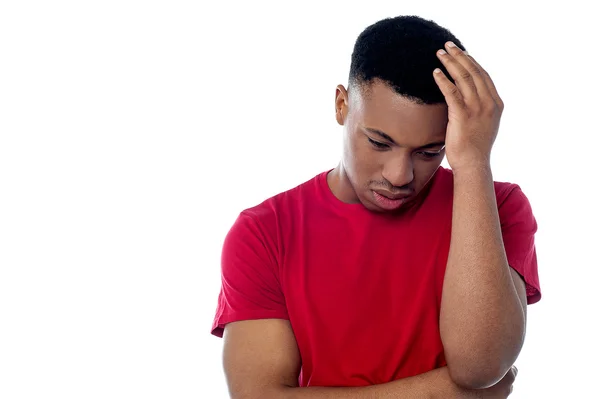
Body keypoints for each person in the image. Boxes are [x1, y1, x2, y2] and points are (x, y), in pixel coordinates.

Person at [210, 15, 541, 398]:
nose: (400, 176)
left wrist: (472, 162)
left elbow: (480, 366)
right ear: (341, 106)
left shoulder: (499, 206)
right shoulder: (264, 232)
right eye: (379, 143)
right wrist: (439, 392)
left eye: (429, 151)